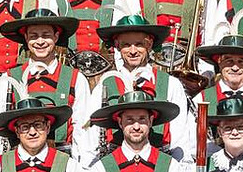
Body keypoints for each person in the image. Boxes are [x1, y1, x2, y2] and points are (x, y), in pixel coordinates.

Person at [82, 15, 193, 160]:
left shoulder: (171, 84)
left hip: (159, 162)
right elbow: (90, 136)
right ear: (117, 46)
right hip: (115, 163)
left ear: (149, 44)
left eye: (139, 44)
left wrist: (178, 167)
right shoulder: (105, 84)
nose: (133, 51)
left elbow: (180, 135)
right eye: (126, 45)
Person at [0, 9, 89, 156]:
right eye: (34, 36)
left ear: (56, 36)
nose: (40, 41)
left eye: (46, 35)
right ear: (26, 38)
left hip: (63, 158)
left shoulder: (76, 78)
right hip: (19, 158)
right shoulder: (9, 79)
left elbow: (82, 127)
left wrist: (80, 163)